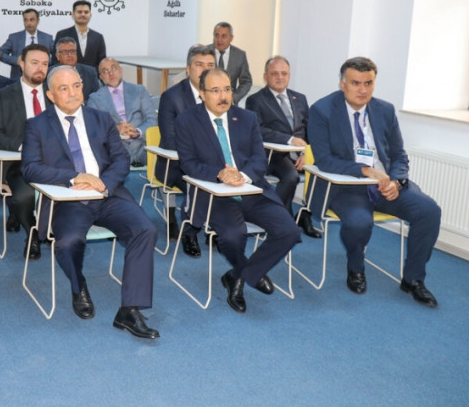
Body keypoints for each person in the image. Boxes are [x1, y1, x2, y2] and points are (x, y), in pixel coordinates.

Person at [21, 66, 159, 339]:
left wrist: (103, 183)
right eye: (63, 88)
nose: (73, 93)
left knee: (145, 229)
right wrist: (75, 177)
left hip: (107, 194)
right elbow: (30, 169)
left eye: (76, 86)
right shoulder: (37, 125)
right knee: (68, 242)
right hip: (68, 200)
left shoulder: (101, 119)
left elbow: (121, 159)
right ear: (51, 95)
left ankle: (129, 310)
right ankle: (78, 284)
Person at [308, 56, 441, 306]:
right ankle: (356, 267)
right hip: (347, 186)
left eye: (368, 83)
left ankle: (413, 279)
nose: (363, 89)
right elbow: (324, 161)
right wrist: (366, 171)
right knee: (359, 222)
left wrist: (397, 182)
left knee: (429, 211)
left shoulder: (385, 110)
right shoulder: (322, 111)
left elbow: (399, 155)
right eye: (356, 83)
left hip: (386, 185)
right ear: (342, 84)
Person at [175, 68, 300, 313]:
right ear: (202, 94)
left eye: (227, 89)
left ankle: (239, 275)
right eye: (215, 90)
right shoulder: (187, 121)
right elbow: (188, 164)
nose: (223, 96)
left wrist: (242, 176)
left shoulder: (247, 118)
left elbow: (259, 159)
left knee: (289, 231)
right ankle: (247, 272)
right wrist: (220, 173)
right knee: (233, 236)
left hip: (251, 189)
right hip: (215, 194)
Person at [0, 44, 51, 259]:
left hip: (54, 162)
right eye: (34, 63)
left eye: (45, 64)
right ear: (21, 64)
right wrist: (23, 145)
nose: (40, 68)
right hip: (19, 163)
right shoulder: (4, 96)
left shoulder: (55, 93)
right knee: (24, 196)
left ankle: (47, 225)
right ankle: (33, 233)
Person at [245, 56, 320, 238]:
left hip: (301, 155)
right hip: (275, 155)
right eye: (274, 73)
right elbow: (257, 130)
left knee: (326, 175)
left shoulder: (299, 98)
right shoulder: (255, 100)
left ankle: (305, 215)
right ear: (265, 76)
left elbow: (311, 129)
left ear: (289, 76)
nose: (280, 77)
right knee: (291, 177)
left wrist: (307, 153)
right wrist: (289, 139)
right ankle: (277, 220)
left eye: (284, 73)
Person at [157, 45, 216, 254]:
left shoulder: (220, 96)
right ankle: (189, 232)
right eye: (199, 65)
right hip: (175, 164)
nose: (205, 70)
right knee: (200, 184)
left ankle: (217, 227)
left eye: (210, 65)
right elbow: (170, 140)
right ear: (188, 69)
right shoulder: (171, 97)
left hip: (212, 163)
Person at [87, 58, 156, 166]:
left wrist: (137, 131)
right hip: (116, 148)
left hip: (143, 146)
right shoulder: (95, 99)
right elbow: (94, 129)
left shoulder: (139, 91)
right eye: (105, 71)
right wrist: (115, 129)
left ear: (120, 69)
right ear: (101, 77)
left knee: (165, 165)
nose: (111, 73)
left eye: (113, 68)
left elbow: (152, 119)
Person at [205, 22, 251, 106]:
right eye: (217, 35)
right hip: (207, 102)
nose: (219, 40)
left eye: (223, 36)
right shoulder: (205, 52)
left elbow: (246, 81)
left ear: (231, 38)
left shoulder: (239, 55)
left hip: (229, 104)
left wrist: (234, 97)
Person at [0, 8, 53, 80]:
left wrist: (45, 62)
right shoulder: (14, 38)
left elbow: (57, 55)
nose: (28, 23)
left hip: (42, 78)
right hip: (18, 79)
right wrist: (15, 60)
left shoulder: (47, 38)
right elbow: (0, 53)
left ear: (38, 20)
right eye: (25, 20)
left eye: (31, 20)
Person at [54, 0, 106, 68]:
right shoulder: (62, 35)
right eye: (79, 12)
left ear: (90, 15)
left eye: (86, 12)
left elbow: (102, 63)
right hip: (68, 73)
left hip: (91, 74)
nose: (83, 14)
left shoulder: (98, 37)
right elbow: (55, 60)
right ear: (73, 15)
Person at [50, 37, 100, 102]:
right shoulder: (50, 73)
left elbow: (96, 98)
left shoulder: (90, 72)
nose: (69, 55)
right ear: (57, 56)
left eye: (72, 51)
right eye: (65, 52)